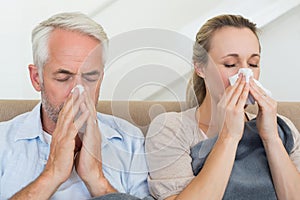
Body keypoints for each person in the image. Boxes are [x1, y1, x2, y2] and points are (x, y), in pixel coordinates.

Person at [145, 14, 300, 200]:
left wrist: (271, 137)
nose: (245, 75)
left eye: (253, 64)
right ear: (200, 68)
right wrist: (229, 136)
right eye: (230, 64)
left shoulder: (283, 128)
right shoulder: (171, 129)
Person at [0, 12, 150, 200]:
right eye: (63, 77)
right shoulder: (3, 143)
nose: (78, 91)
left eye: (90, 77)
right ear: (36, 78)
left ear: (101, 78)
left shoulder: (130, 140)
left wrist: (97, 180)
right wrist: (52, 174)